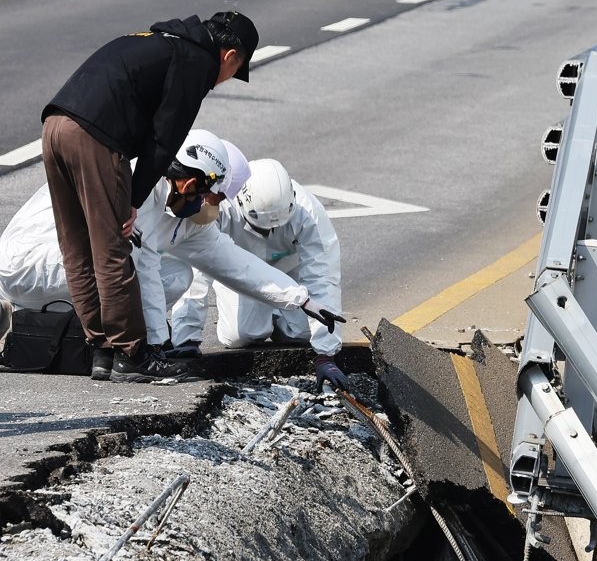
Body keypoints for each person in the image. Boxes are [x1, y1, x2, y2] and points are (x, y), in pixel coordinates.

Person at [0, 132, 344, 383]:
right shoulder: (139, 187)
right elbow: (140, 266)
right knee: (128, 261)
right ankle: (123, 355)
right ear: (192, 181)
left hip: (66, 272)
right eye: (214, 196)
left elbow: (234, 265)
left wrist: (301, 299)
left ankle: (102, 349)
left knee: (177, 272)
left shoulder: (183, 216)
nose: (215, 207)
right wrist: (158, 346)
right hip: (26, 264)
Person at [40, 11, 259, 382]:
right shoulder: (197, 62)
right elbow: (164, 140)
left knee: (76, 247)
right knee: (112, 247)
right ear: (230, 55)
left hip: (55, 126)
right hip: (95, 137)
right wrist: (134, 199)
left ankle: (101, 351)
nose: (222, 81)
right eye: (233, 72)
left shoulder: (163, 40)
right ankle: (131, 354)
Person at [170, 159, 350, 392]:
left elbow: (323, 275)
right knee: (239, 337)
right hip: (240, 276)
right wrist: (186, 338)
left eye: (275, 228)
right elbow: (197, 268)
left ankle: (279, 317)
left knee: (303, 334)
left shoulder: (308, 211)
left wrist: (326, 354)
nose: (269, 234)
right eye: (261, 229)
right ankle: (265, 316)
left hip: (291, 273)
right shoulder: (221, 205)